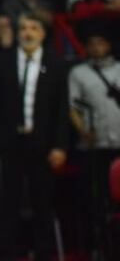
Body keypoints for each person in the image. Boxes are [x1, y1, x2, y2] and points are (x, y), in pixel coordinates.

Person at [0, 14, 70, 261]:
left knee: (42, 201)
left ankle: (44, 253)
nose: (27, 33)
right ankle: (7, 253)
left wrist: (60, 145)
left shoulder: (55, 63)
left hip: (42, 143)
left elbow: (62, 109)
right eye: (23, 28)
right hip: (11, 142)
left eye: (33, 28)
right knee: (9, 201)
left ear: (43, 33)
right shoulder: (4, 61)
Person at [67, 29, 120, 259]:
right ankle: (98, 248)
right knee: (96, 200)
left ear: (108, 45)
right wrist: (82, 130)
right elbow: (72, 107)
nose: (96, 47)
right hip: (95, 146)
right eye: (92, 43)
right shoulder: (78, 73)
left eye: (101, 42)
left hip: (119, 143)